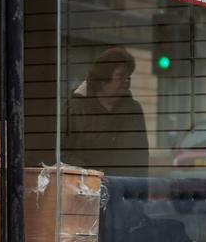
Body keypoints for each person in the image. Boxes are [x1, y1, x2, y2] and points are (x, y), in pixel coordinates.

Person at [63, 46, 149, 177]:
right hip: (86, 188)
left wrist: (140, 192)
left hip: (125, 190)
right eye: (120, 77)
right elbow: (62, 152)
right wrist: (89, 174)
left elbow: (141, 158)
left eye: (129, 77)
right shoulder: (75, 108)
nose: (127, 81)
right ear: (103, 80)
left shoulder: (133, 110)